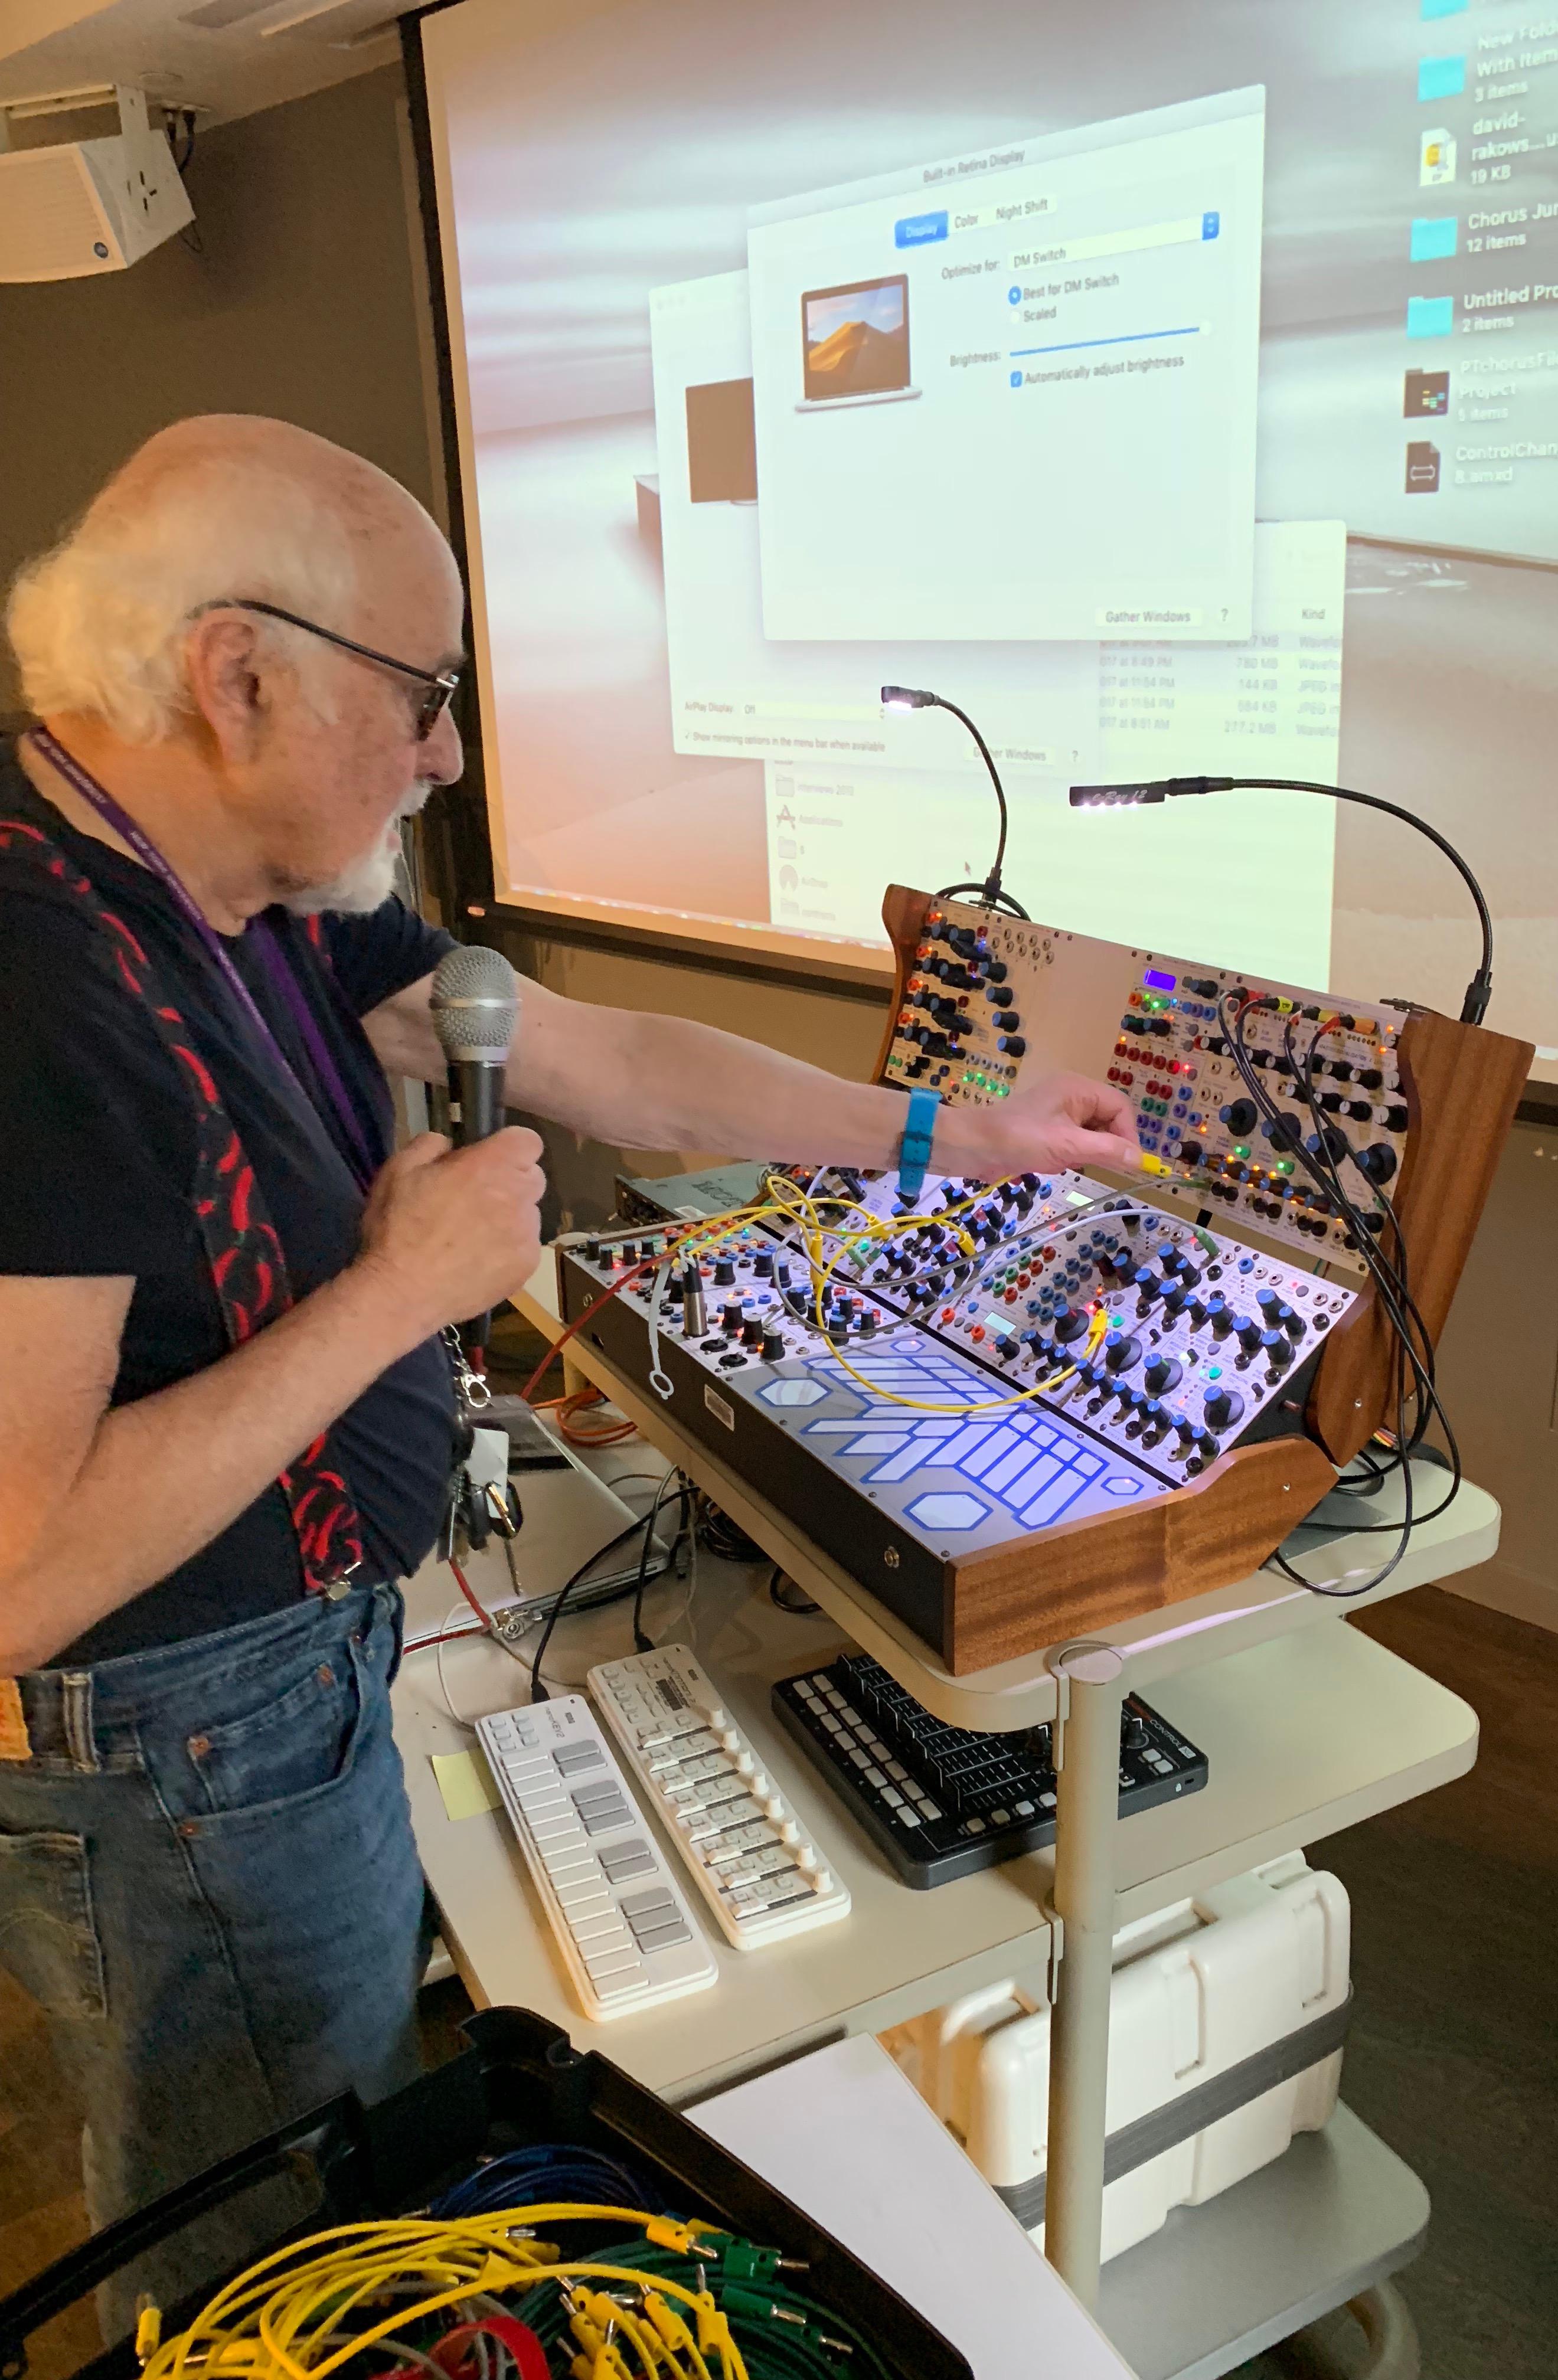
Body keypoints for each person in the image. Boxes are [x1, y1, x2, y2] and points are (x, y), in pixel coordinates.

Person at [0, 416, 1139, 2322]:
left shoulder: (236, 887)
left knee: (330, 2187)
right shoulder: (42, 979)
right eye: (422, 695)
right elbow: (19, 1572)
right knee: (265, 2265)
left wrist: (962, 1137)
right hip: (190, 1749)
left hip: (276, 1690)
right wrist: (399, 1296)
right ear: (236, 673)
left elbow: (614, 1063)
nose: (446, 756)